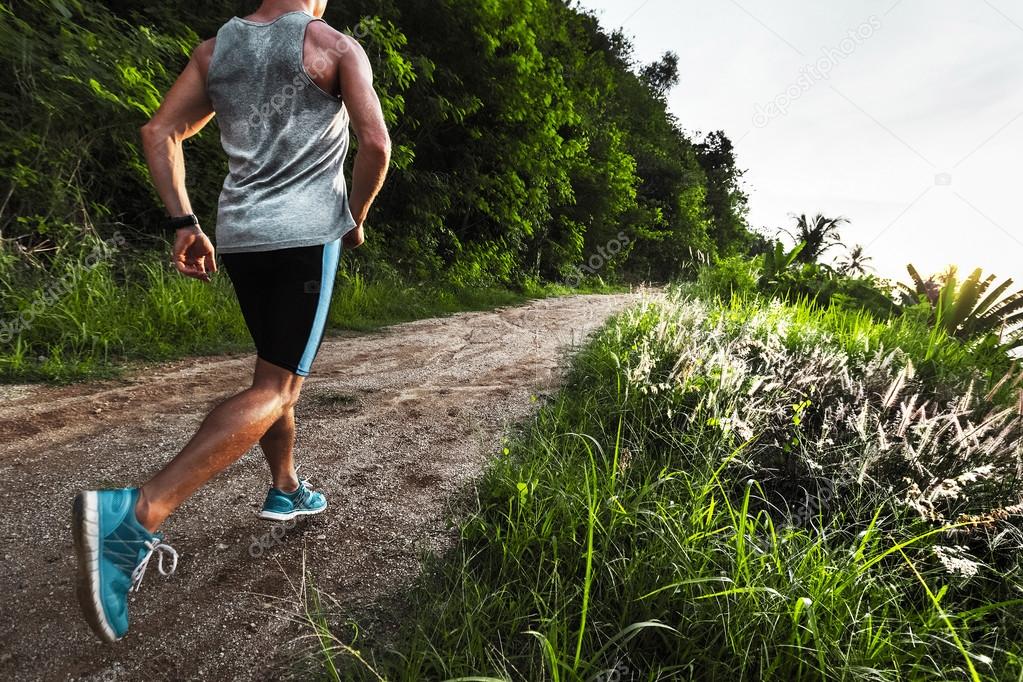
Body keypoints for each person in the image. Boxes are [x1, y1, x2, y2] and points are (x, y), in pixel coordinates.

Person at [71, 0, 391, 642]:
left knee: (273, 370)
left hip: (241, 236)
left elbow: (158, 131)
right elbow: (377, 143)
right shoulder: (334, 47)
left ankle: (285, 486)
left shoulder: (215, 52)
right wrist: (354, 217)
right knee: (278, 387)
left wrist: (183, 222)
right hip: (305, 239)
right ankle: (137, 513)